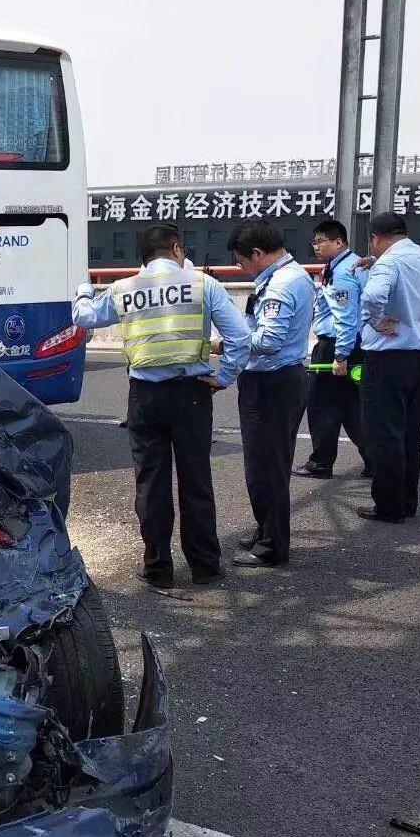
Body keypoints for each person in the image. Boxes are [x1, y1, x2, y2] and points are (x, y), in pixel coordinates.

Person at [73, 224, 251, 589]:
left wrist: (82, 290)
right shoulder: (203, 284)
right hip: (193, 394)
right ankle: (204, 566)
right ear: (175, 248)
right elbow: (240, 336)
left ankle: (158, 568)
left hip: (144, 397)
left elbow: (84, 318)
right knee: (196, 479)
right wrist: (226, 376)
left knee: (151, 483)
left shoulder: (124, 289)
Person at [225, 220, 314, 568]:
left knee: (267, 469)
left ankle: (272, 546)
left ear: (258, 254)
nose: (240, 268)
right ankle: (266, 531)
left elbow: (269, 341)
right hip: (281, 381)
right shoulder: (292, 275)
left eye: (241, 260)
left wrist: (226, 342)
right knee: (265, 466)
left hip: (272, 385)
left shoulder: (280, 286)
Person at [357, 212, 420, 523]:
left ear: (376, 238)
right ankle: (407, 501)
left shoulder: (388, 264)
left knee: (385, 435)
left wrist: (376, 320)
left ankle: (389, 506)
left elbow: (372, 296)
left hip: (388, 359)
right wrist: (374, 262)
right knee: (410, 434)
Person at [292, 219, 372, 479]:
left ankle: (321, 463)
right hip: (354, 345)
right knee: (352, 406)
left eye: (321, 241)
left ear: (339, 242)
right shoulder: (349, 265)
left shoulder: (344, 272)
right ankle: (375, 459)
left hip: (337, 345)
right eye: (314, 241)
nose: (316, 246)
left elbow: (346, 317)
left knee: (321, 405)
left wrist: (340, 356)